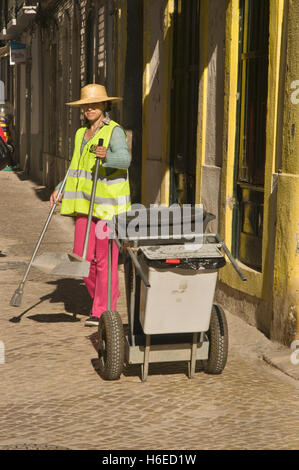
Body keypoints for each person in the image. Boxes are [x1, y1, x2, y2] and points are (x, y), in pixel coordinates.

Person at [50, 84, 131, 326]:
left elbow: (125, 160)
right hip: (85, 206)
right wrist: (60, 187)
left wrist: (107, 156)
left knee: (105, 260)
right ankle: (106, 296)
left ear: (105, 105)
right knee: (82, 258)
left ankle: (102, 310)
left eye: (95, 104)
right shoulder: (80, 134)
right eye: (86, 105)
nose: (90, 108)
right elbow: (75, 166)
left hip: (108, 208)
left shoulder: (114, 131)